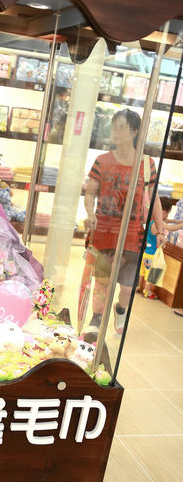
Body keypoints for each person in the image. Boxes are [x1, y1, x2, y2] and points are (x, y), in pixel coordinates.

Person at [84, 108, 165, 335]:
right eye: (114, 127)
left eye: (121, 128)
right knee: (102, 283)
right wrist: (90, 213)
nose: (116, 132)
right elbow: (90, 193)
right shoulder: (102, 161)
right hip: (104, 233)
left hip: (133, 237)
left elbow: (155, 198)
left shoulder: (147, 164)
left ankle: (120, 309)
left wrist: (160, 229)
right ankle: (96, 319)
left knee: (128, 288)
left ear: (134, 131)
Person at [137, 197, 183, 298]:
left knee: (142, 272)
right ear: (163, 212)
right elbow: (171, 228)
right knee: (151, 275)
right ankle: (147, 292)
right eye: (168, 214)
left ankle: (138, 287)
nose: (168, 217)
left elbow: (168, 221)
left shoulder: (151, 220)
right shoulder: (159, 224)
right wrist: (181, 225)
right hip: (153, 255)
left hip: (146, 253)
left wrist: (176, 221)